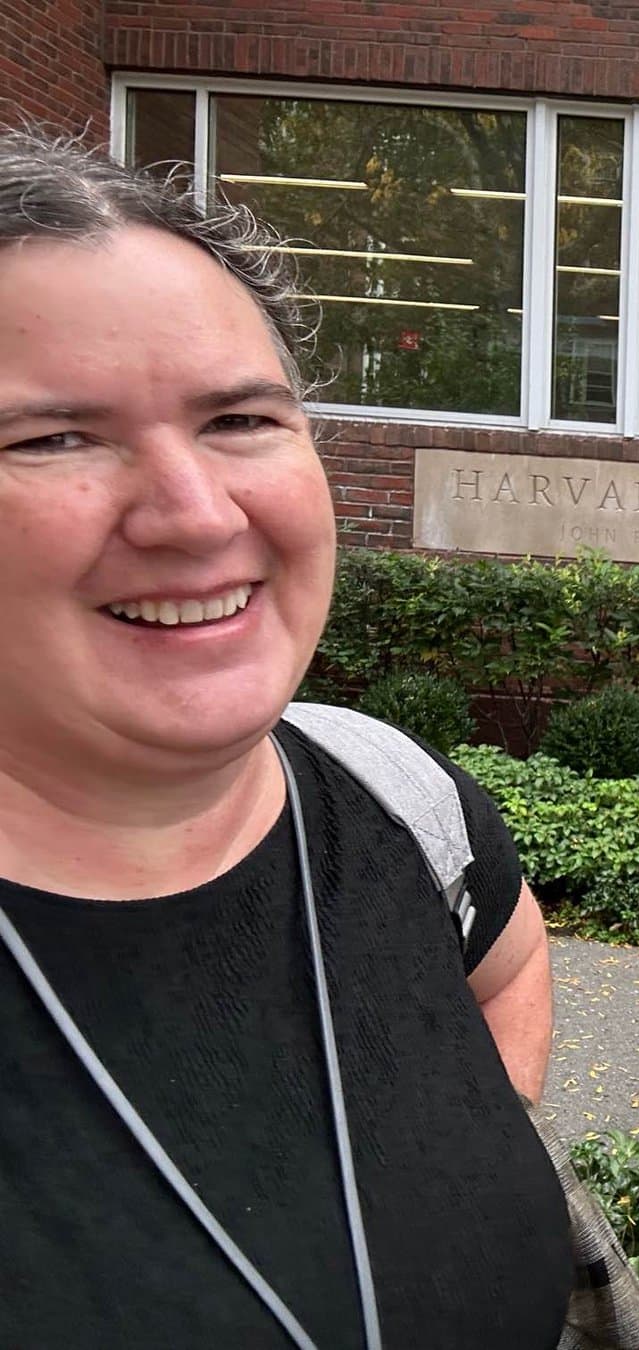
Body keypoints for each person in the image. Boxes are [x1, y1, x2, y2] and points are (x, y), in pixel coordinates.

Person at [0, 130, 573, 1347]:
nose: (196, 514)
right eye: (52, 438)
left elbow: (510, 963)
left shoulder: (394, 798)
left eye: (241, 419)